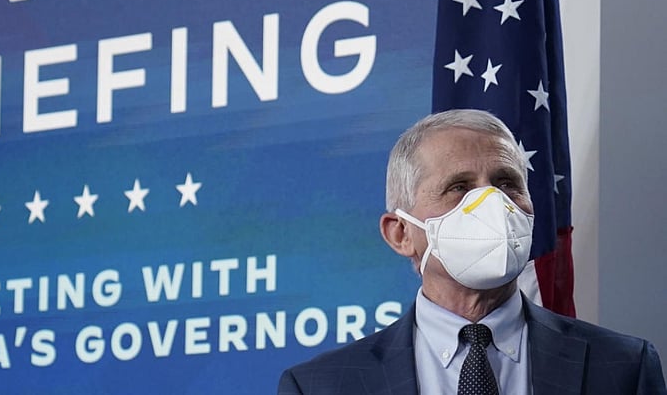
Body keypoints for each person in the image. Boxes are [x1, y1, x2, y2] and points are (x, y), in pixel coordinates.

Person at [277, 109, 666, 394]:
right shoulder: (319, 387)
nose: (492, 203)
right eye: (460, 187)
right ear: (400, 234)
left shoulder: (622, 368)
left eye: (506, 183)